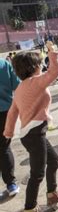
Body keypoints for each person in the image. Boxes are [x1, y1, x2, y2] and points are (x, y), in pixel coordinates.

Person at [3, 41, 58, 212]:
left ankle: (52, 194)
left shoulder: (22, 87)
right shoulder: (35, 82)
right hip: (35, 134)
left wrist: (8, 133)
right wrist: (53, 52)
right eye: (40, 63)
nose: (42, 66)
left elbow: (12, 113)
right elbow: (54, 73)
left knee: (54, 161)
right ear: (34, 67)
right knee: (37, 174)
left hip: (30, 134)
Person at [0, 57, 20, 198]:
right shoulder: (3, 64)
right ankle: (11, 184)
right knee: (4, 147)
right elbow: (17, 85)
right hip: (5, 111)